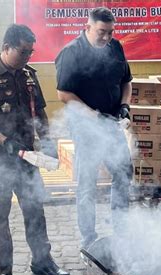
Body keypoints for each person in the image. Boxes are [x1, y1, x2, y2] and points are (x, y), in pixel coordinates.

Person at [0, 24, 70, 275]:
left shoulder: (28, 75)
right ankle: (3, 272)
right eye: (23, 52)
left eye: (30, 52)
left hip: (27, 156)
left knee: (35, 209)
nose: (28, 57)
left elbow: (40, 112)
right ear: (6, 48)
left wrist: (47, 141)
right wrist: (3, 140)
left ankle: (42, 262)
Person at [55, 7, 133, 250]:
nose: (107, 37)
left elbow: (126, 82)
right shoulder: (71, 53)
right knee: (87, 184)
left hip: (111, 124)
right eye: (102, 32)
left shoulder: (115, 47)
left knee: (123, 174)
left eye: (110, 32)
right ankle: (88, 239)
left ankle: (121, 231)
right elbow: (63, 94)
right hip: (86, 128)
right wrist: (92, 116)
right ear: (87, 27)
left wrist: (124, 106)